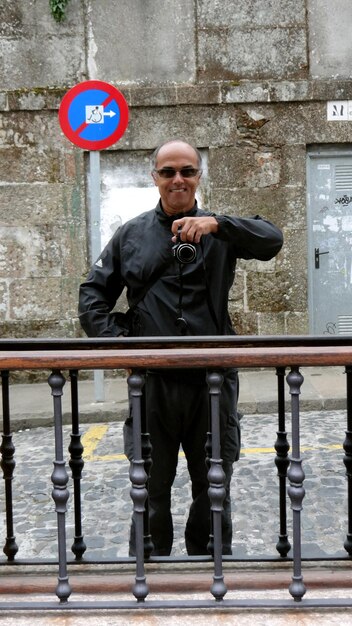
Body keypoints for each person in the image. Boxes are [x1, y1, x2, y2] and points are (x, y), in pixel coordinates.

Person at [78, 139, 283, 556]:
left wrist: (218, 225)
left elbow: (272, 239)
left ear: (198, 176)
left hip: (212, 381)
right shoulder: (131, 234)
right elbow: (93, 295)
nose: (178, 180)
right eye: (168, 172)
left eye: (187, 171)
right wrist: (119, 346)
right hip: (152, 383)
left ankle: (209, 572)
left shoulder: (219, 229)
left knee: (213, 487)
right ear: (154, 178)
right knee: (150, 487)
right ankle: (149, 573)